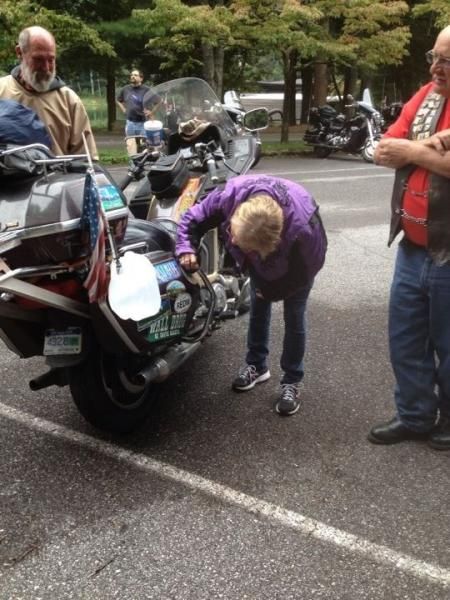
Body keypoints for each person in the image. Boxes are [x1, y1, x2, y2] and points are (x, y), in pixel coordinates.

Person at [175, 174, 327, 416]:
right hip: (259, 260)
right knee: (258, 306)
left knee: (294, 316)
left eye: (240, 242)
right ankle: (256, 365)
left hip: (294, 268)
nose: (232, 240)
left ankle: (292, 380)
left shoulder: (303, 231)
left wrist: (274, 291)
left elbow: (307, 271)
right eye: (233, 232)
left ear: (268, 246)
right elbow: (192, 218)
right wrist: (186, 248)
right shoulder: (229, 197)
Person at [368, 25, 450, 450]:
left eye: (446, 61)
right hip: (412, 246)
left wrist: (417, 152)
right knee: (405, 339)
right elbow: (385, 147)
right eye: (433, 57)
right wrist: (436, 147)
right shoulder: (427, 95)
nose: (436, 67)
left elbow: (403, 150)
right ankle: (415, 415)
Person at [0, 26, 97, 158]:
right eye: (38, 59)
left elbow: (86, 161)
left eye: (51, 60)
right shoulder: (1, 90)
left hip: (57, 178)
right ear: (20, 52)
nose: (46, 68)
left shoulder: (69, 101)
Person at [117, 69, 151, 155]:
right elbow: (118, 100)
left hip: (143, 122)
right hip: (130, 122)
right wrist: (124, 109)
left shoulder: (146, 90)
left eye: (135, 75)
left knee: (143, 146)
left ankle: (142, 164)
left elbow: (158, 101)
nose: (133, 76)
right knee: (131, 145)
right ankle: (133, 165)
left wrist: (151, 112)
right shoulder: (125, 89)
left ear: (141, 78)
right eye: (132, 75)